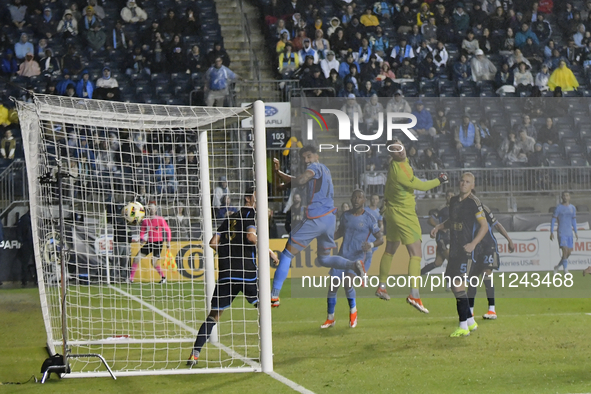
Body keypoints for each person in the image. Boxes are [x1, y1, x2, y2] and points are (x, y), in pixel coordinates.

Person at [187, 188, 279, 366]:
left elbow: (213, 243)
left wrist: (227, 252)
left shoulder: (229, 219)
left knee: (214, 315)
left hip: (226, 274)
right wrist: (269, 252)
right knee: (265, 308)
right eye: (258, 196)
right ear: (248, 198)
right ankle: (266, 353)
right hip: (246, 272)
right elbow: (251, 237)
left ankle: (195, 354)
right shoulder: (252, 215)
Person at [271, 146, 365, 307]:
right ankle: (353, 264)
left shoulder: (314, 167)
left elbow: (300, 180)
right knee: (324, 258)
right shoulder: (324, 171)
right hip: (329, 219)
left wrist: (284, 185)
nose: (306, 161)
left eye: (309, 157)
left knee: (287, 254)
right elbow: (299, 180)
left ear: (316, 155)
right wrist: (280, 176)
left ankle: (273, 296)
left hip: (316, 217)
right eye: (304, 158)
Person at [375, 140, 448, 312]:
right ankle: (414, 294)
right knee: (416, 254)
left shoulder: (395, 164)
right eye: (395, 150)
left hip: (391, 211)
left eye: (400, 147)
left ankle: (381, 286)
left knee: (390, 249)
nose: (400, 151)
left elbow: (387, 186)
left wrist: (386, 201)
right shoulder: (401, 171)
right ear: (391, 154)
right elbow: (421, 186)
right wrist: (440, 180)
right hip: (404, 213)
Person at [430, 172, 489, 337]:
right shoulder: (454, 201)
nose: (463, 183)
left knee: (458, 285)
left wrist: (473, 244)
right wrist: (439, 227)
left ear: (472, 186)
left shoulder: (474, 203)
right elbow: (451, 220)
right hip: (454, 250)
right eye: (462, 180)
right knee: (450, 281)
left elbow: (484, 226)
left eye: (467, 182)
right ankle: (470, 321)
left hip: (466, 251)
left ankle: (463, 325)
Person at [322, 189, 384, 329]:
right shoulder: (345, 216)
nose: (356, 199)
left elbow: (380, 239)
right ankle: (330, 318)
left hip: (357, 257)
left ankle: (353, 312)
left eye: (359, 197)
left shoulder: (369, 218)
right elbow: (339, 232)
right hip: (342, 255)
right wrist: (327, 238)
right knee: (332, 286)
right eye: (354, 197)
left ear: (364, 200)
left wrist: (371, 244)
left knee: (347, 283)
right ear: (351, 199)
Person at [468, 203, 515, 320]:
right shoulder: (463, 209)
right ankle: (470, 311)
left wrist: (509, 239)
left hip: (488, 246)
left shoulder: (483, 208)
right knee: (472, 278)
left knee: (486, 274)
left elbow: (497, 225)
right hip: (474, 247)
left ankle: (492, 310)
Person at [129, 202, 172, 283]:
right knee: (136, 258)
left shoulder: (160, 219)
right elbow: (142, 231)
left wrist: (168, 241)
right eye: (150, 208)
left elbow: (167, 230)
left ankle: (163, 277)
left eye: (153, 208)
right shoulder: (146, 221)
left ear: (155, 210)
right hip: (149, 243)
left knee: (154, 262)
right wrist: (141, 239)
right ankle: (131, 279)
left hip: (158, 243)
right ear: (148, 209)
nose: (151, 210)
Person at [421, 190, 454, 276]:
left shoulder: (457, 208)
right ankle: (449, 282)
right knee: (452, 260)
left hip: (452, 237)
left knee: (438, 263)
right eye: (448, 196)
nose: (450, 198)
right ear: (445, 197)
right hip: (443, 238)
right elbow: (430, 220)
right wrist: (438, 227)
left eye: (452, 196)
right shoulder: (442, 208)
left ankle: (417, 274)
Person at [551, 192, 578, 275]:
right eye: (564, 195)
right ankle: (565, 270)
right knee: (565, 250)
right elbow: (553, 219)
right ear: (562, 197)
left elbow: (573, 220)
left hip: (569, 233)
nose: (565, 197)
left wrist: (576, 231)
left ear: (569, 197)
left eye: (567, 195)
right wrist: (551, 231)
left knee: (568, 252)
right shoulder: (558, 208)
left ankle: (557, 266)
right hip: (561, 232)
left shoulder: (572, 208)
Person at [16, 210, 34, 286]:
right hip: (27, 243)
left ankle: (33, 280)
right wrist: (21, 241)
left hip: (32, 243)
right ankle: (25, 280)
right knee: (25, 263)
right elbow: (19, 231)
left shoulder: (27, 218)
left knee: (31, 262)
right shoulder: (24, 219)